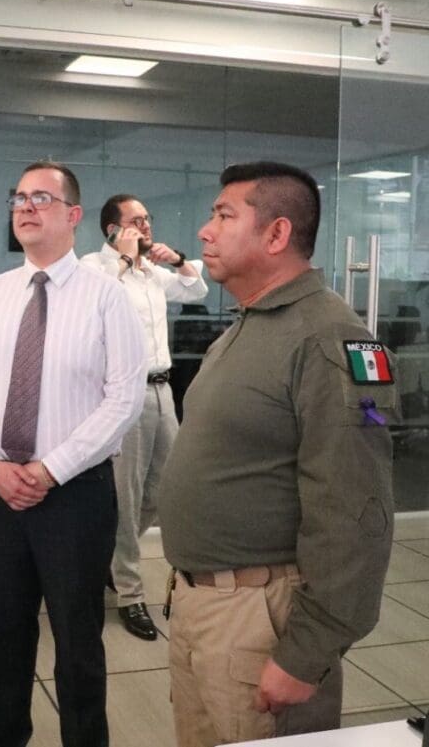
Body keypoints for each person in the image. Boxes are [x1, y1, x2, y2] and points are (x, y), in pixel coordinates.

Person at [158, 161, 396, 746]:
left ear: (276, 234)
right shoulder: (250, 325)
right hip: (202, 607)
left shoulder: (330, 338)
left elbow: (356, 513)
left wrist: (306, 654)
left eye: (224, 215)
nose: (205, 231)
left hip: (259, 618)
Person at [0, 161, 146, 747]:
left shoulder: (107, 297)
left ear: (73, 215)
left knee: (78, 645)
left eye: (41, 198)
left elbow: (124, 399)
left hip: (76, 495)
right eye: (19, 199)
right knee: (3, 638)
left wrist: (49, 469)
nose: (25, 208)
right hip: (0, 492)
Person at [81, 194, 208, 641]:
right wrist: (123, 259)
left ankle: (105, 557)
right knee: (128, 493)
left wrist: (178, 261)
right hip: (125, 394)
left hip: (163, 390)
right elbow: (91, 305)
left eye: (148, 219)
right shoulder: (93, 268)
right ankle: (129, 593)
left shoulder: (151, 271)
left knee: (164, 486)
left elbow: (196, 290)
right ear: (112, 230)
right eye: (136, 221)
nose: (147, 226)